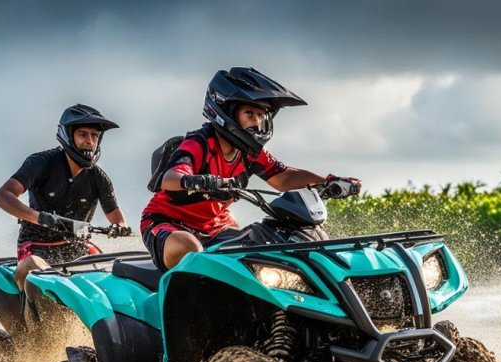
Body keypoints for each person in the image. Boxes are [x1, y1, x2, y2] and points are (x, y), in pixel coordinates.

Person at [141, 67, 361, 270]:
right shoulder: (200, 143)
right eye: (249, 113)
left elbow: (282, 178)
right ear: (226, 111)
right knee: (189, 247)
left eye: (261, 115)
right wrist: (200, 180)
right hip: (168, 224)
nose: (257, 121)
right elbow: (170, 177)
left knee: (263, 251)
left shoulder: (249, 152)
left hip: (217, 228)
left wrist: (328, 182)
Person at [0, 104, 130, 289]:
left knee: (115, 275)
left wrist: (120, 228)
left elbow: (118, 220)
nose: (90, 141)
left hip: (78, 249)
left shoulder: (100, 178)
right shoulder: (41, 163)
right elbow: (3, 196)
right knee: (35, 266)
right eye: (83, 134)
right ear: (68, 135)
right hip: (36, 248)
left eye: (95, 136)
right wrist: (40, 218)